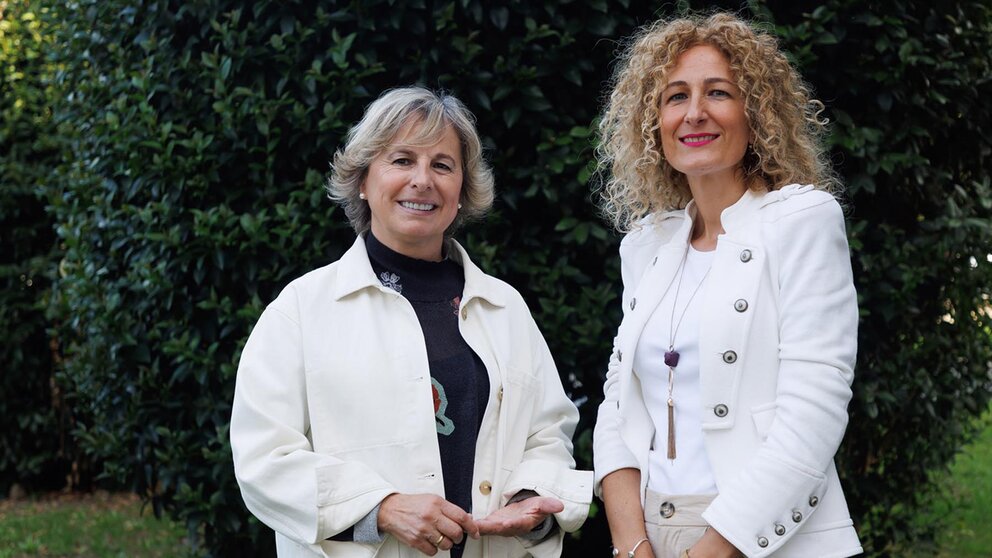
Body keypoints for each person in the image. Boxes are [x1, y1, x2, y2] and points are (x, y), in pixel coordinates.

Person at [231, 86, 591, 557]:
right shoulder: (300, 311)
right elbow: (265, 460)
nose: (422, 180)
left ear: (462, 191)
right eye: (401, 160)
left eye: (442, 165)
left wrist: (528, 500)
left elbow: (548, 433)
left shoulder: (506, 309)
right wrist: (380, 508)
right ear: (363, 179)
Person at [592, 13, 862, 558]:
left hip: (763, 537)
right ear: (653, 121)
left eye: (718, 93)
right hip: (653, 531)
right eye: (675, 97)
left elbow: (814, 412)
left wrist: (714, 550)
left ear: (755, 111)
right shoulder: (646, 245)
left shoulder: (802, 221)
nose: (694, 113)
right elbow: (617, 407)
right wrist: (630, 544)